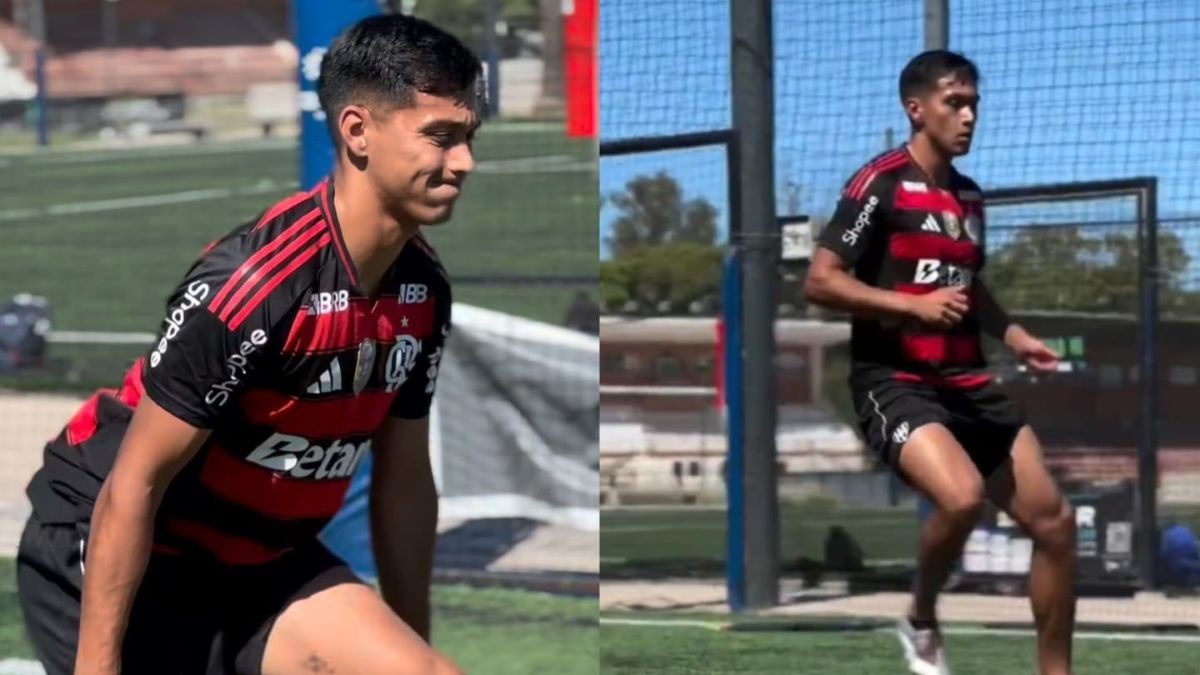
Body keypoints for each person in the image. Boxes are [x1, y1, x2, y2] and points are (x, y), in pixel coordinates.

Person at [18, 14, 482, 675]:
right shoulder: (255, 284)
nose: (465, 162)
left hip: (262, 562)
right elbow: (134, 484)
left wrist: (415, 647)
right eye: (442, 137)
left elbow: (405, 481)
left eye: (468, 138)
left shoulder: (424, 287)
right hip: (116, 545)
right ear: (358, 132)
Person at [804, 50, 1077, 675]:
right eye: (955, 103)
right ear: (916, 109)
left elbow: (968, 289)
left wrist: (1014, 335)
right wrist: (911, 306)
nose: (969, 115)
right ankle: (921, 619)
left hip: (970, 382)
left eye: (975, 103)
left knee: (1056, 525)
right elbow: (821, 282)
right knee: (962, 500)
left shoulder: (971, 198)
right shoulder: (879, 182)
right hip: (894, 380)